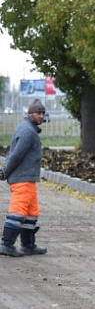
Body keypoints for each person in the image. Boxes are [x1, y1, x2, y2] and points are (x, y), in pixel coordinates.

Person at [0, 99, 49, 256]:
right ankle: (6, 244)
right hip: (22, 178)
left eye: (43, 113)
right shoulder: (27, 131)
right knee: (18, 210)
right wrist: (5, 171)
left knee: (31, 211)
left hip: (28, 178)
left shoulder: (29, 129)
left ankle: (28, 245)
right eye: (38, 113)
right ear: (30, 114)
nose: (41, 116)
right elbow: (16, 154)